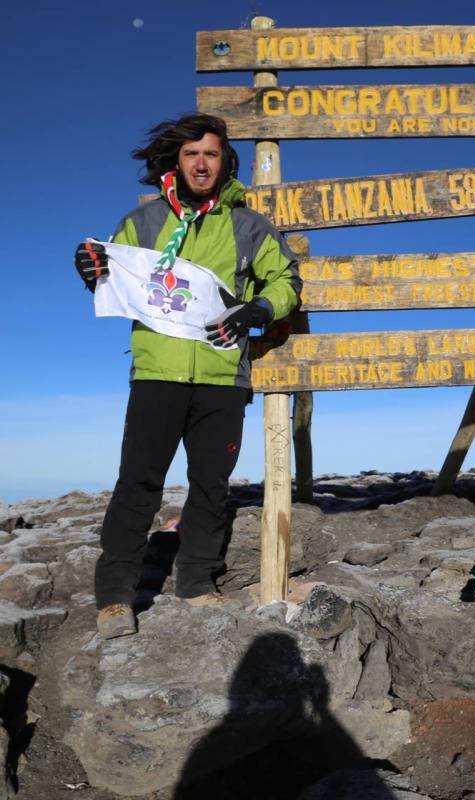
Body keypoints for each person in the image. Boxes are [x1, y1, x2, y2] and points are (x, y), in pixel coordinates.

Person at [74, 113, 301, 639]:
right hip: (157, 372)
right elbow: (112, 276)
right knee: (138, 484)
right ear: (177, 160)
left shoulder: (249, 226)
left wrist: (258, 308)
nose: (202, 163)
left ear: (226, 163)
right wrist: (89, 267)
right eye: (192, 153)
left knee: (210, 487)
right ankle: (115, 598)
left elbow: (287, 280)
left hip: (224, 375)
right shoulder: (144, 223)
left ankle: (197, 582)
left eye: (212, 154)